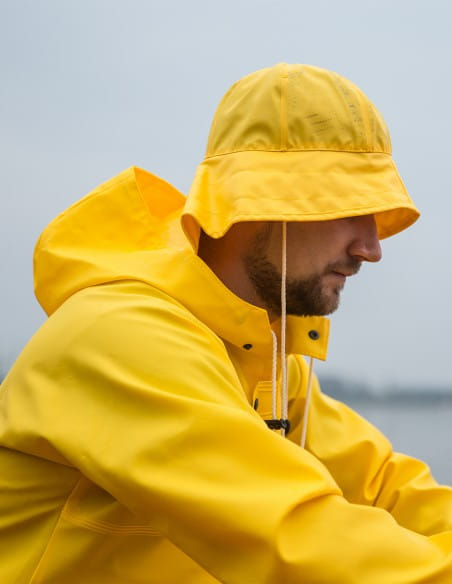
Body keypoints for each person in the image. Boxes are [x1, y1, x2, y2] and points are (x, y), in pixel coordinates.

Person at [0, 63, 451, 583]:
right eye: (351, 207)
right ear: (261, 201)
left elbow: (383, 487)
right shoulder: (121, 340)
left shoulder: (265, 359)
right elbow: (303, 542)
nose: (371, 248)